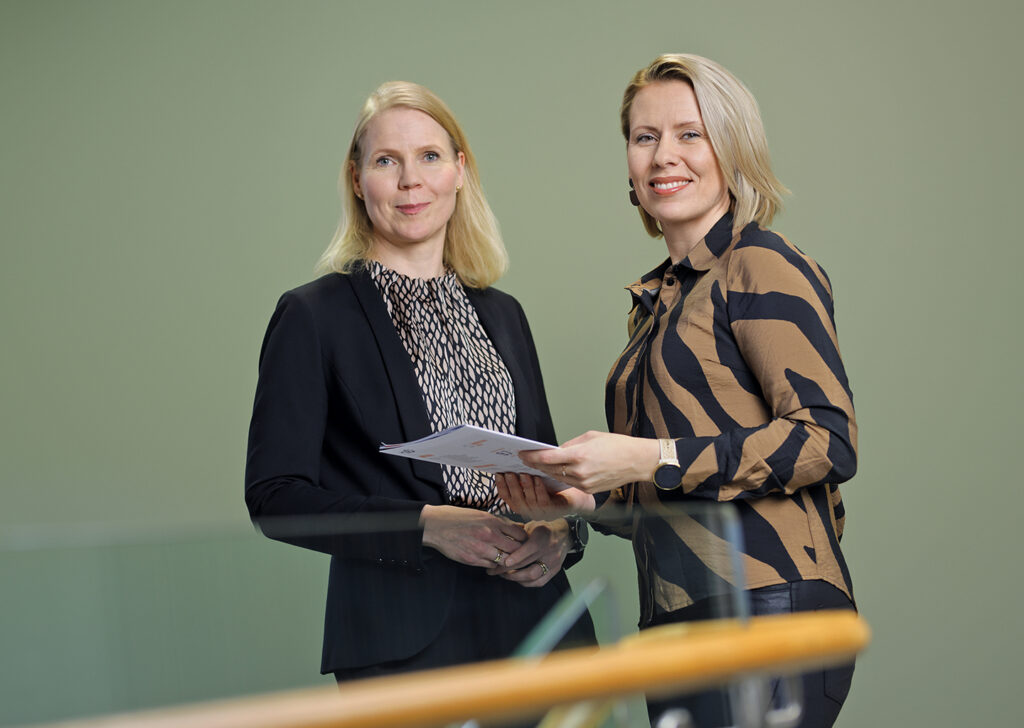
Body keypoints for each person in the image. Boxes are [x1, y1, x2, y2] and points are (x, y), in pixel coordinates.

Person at [497, 54, 857, 727]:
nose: (666, 155)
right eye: (645, 137)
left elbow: (826, 439)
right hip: (678, 624)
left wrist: (648, 458)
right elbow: (668, 489)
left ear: (732, 150)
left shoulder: (761, 263)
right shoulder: (657, 303)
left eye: (691, 134)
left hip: (768, 611)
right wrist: (581, 497)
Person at [245, 81, 592, 682]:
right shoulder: (314, 315)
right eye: (387, 161)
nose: (411, 181)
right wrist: (426, 526)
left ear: (460, 171)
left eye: (429, 157)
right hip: (403, 644)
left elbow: (545, 471)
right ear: (357, 179)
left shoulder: (503, 313)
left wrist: (561, 534)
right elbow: (274, 496)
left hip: (537, 628)